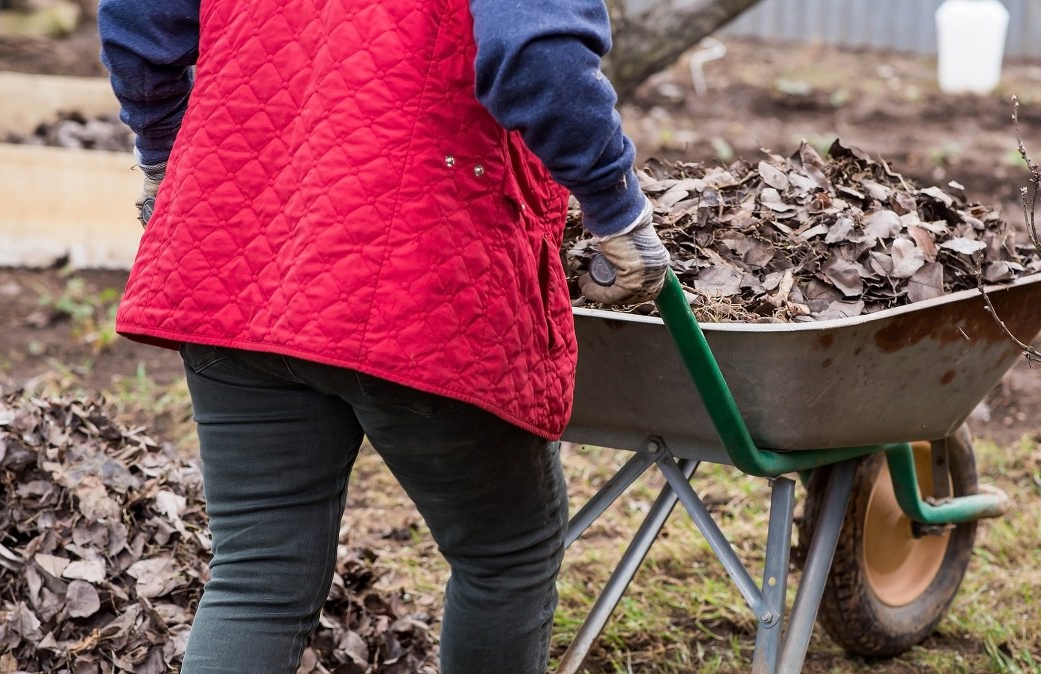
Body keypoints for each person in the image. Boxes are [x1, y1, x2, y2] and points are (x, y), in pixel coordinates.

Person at [98, 0, 669, 672]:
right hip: (419, 270)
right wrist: (616, 209)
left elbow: (138, 22)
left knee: (258, 577)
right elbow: (538, 56)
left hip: (239, 245)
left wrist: (165, 153)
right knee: (505, 556)